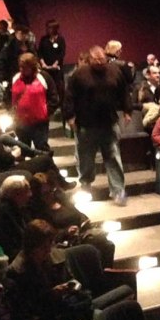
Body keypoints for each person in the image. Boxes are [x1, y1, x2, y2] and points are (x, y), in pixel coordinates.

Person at [63, 45, 132, 206]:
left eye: (103, 60)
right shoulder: (80, 74)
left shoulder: (115, 71)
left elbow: (123, 92)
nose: (100, 63)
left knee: (113, 157)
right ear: (90, 59)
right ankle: (86, 186)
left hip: (109, 122)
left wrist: (127, 110)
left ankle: (118, 190)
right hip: (87, 124)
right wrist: (70, 117)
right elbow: (69, 97)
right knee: (86, 158)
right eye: (97, 60)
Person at [8, 219, 95, 320]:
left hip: (67, 308)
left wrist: (70, 287)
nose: (49, 251)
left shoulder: (54, 258)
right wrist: (51, 295)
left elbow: (71, 280)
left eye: (50, 244)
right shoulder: (17, 272)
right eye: (43, 248)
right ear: (31, 248)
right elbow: (24, 315)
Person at [28, 172, 115, 267]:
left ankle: (105, 274)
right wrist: (66, 232)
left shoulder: (60, 197)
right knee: (94, 246)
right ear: (38, 194)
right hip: (64, 241)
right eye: (45, 193)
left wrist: (84, 220)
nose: (50, 195)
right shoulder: (37, 210)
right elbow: (46, 233)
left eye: (52, 190)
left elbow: (76, 213)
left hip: (80, 232)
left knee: (108, 244)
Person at [12, 53, 57, 152]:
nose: (21, 70)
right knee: (23, 150)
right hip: (21, 123)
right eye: (20, 67)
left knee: (42, 149)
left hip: (39, 123)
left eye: (25, 67)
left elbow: (54, 97)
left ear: (32, 67)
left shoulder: (44, 77)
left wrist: (46, 112)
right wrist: (12, 114)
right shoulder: (15, 78)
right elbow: (9, 97)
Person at [37, 19, 66, 107]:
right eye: (48, 28)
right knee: (46, 87)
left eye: (51, 28)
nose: (49, 30)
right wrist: (43, 64)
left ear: (56, 28)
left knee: (59, 88)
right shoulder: (44, 39)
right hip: (45, 68)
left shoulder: (60, 39)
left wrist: (55, 64)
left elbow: (62, 53)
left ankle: (59, 107)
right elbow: (40, 52)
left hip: (56, 68)